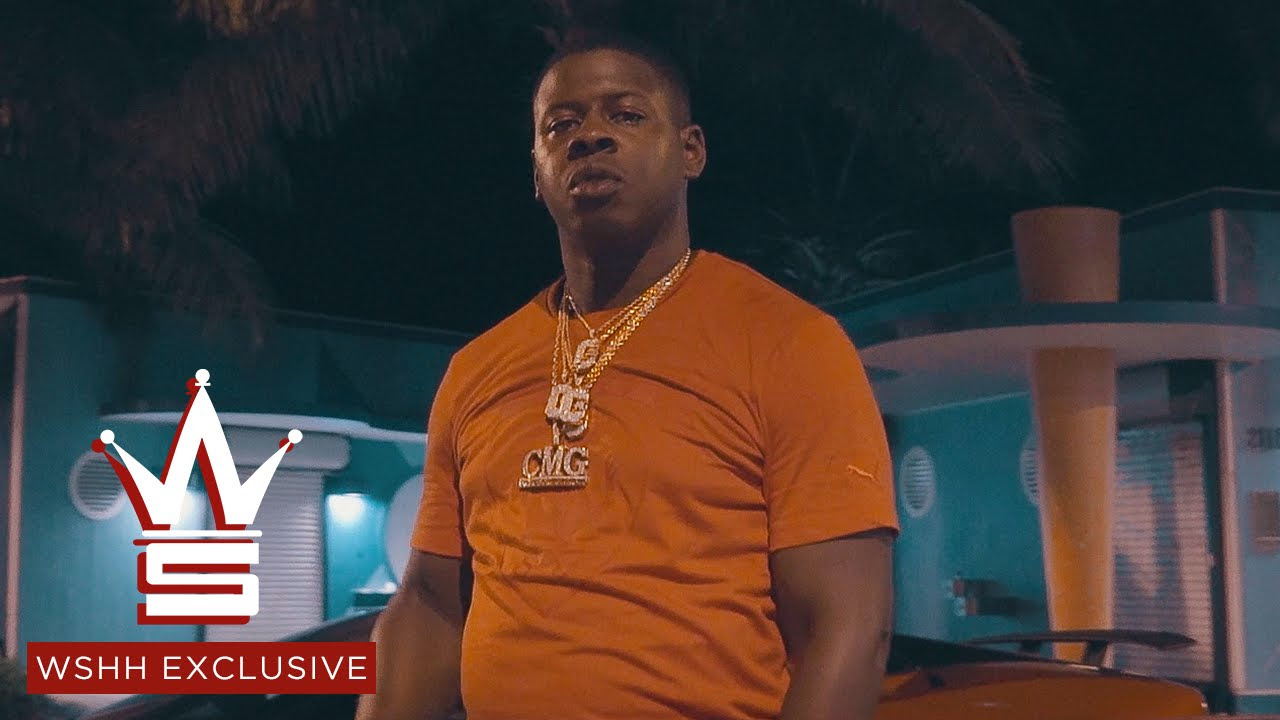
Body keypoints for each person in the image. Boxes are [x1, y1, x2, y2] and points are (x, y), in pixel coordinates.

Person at [356, 31, 899, 720]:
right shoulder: (477, 370)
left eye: (627, 114)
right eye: (561, 125)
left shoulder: (790, 343)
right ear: (537, 174)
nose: (590, 136)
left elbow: (848, 629)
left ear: (691, 151)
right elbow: (433, 606)